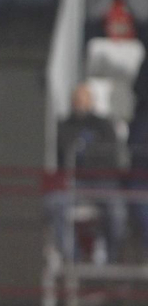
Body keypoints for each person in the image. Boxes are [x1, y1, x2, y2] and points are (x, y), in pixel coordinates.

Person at [51, 83, 128, 262]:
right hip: (75, 183)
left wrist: (86, 152)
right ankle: (74, 261)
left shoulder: (104, 125)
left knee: (117, 213)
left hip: (104, 184)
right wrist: (84, 153)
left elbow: (112, 155)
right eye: (76, 100)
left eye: (84, 99)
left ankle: (112, 262)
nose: (79, 104)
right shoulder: (64, 126)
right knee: (54, 205)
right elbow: (63, 153)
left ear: (91, 101)